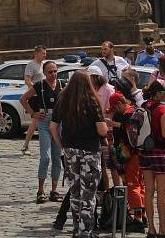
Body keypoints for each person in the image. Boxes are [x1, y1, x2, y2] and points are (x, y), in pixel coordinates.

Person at [50, 70, 107, 238]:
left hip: (70, 151)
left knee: (75, 193)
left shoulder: (63, 99)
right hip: (90, 150)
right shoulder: (91, 100)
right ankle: (85, 231)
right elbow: (102, 130)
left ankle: (77, 229)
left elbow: (53, 127)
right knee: (88, 194)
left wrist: (63, 145)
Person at [138, 81, 165, 238]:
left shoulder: (143, 106)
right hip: (160, 152)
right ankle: (163, 229)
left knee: (148, 192)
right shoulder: (162, 110)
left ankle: (151, 229)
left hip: (145, 153)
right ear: (156, 93)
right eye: (163, 93)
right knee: (162, 193)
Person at [21, 60, 62, 203]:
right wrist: (33, 113)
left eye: (55, 71)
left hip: (58, 123)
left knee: (57, 157)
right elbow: (23, 99)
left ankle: (54, 190)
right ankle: (40, 190)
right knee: (45, 157)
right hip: (45, 121)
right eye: (50, 72)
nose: (53, 74)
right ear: (44, 73)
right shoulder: (40, 86)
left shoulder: (62, 85)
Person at [109, 91, 146, 231]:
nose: (114, 111)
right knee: (141, 185)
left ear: (120, 103)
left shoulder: (128, 115)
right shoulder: (135, 111)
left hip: (132, 155)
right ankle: (143, 216)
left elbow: (129, 138)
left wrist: (115, 124)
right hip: (141, 154)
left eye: (114, 107)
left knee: (133, 186)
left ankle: (138, 221)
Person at [88, 65, 118, 189]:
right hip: (97, 129)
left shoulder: (108, 90)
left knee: (112, 163)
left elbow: (113, 110)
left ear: (95, 77)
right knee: (102, 164)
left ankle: (117, 189)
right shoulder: (91, 89)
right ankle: (104, 190)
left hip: (109, 129)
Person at [21, 45, 47, 155]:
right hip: (35, 97)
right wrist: (35, 90)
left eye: (45, 53)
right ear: (36, 53)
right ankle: (25, 146)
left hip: (43, 96)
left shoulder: (43, 65)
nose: (45, 55)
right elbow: (27, 80)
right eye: (43, 53)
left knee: (43, 121)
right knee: (36, 121)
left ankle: (45, 145)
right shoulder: (31, 65)